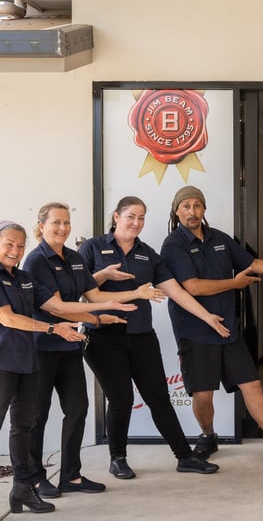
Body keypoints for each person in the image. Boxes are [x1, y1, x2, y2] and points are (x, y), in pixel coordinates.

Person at [0, 221, 136, 521]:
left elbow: (55, 307)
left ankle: (22, 489)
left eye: (20, 245)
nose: (16, 250)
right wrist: (51, 329)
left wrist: (97, 317)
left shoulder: (23, 278)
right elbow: (7, 318)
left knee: (23, 427)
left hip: (27, 361)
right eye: (9, 244)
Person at [160, 186, 263, 466]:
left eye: (197, 205)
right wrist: (235, 283)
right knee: (203, 394)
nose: (192, 212)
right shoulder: (174, 244)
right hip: (195, 330)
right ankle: (208, 435)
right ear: (177, 210)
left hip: (229, 329)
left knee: (252, 385)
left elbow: (251, 262)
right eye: (186, 206)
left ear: (204, 209)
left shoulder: (220, 238)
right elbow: (193, 287)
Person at [79, 196, 230, 479]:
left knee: (159, 397)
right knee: (121, 398)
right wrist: (104, 275)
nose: (136, 223)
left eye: (141, 218)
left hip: (141, 335)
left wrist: (206, 316)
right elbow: (81, 289)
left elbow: (176, 291)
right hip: (103, 336)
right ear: (116, 217)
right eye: (130, 216)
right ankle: (118, 459)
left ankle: (184, 457)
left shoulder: (147, 254)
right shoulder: (93, 247)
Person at [24, 202, 167, 498]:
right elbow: (56, 307)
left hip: (71, 344)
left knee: (78, 409)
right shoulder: (36, 261)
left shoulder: (75, 258)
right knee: (37, 414)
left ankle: (71, 476)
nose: (63, 228)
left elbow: (94, 294)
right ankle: (34, 478)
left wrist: (121, 300)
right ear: (41, 226)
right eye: (56, 223)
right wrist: (100, 314)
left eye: (66, 222)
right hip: (43, 346)